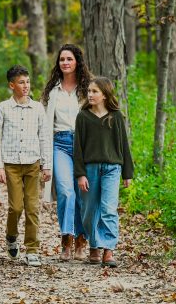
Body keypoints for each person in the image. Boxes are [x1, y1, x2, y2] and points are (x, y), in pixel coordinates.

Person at [0, 65, 52, 267]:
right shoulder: (3, 108)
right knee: (16, 206)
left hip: (33, 163)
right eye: (21, 82)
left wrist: (46, 165)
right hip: (11, 164)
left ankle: (33, 248)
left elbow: (44, 137)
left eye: (27, 81)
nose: (25, 86)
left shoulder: (37, 108)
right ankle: (11, 236)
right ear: (12, 85)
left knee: (32, 206)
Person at [40, 44, 93, 261]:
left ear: (77, 62)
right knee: (65, 191)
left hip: (84, 145)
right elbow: (45, 126)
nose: (65, 63)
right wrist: (44, 160)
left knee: (82, 194)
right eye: (62, 59)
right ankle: (66, 239)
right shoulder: (54, 92)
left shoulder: (88, 89)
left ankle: (82, 239)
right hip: (60, 143)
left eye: (69, 59)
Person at [74, 76, 133, 268]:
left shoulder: (115, 116)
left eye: (94, 92)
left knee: (108, 209)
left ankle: (108, 249)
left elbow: (124, 145)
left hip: (112, 169)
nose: (90, 94)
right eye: (89, 91)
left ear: (105, 95)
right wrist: (80, 173)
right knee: (89, 210)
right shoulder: (83, 117)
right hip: (90, 169)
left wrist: (127, 173)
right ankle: (94, 245)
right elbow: (78, 148)